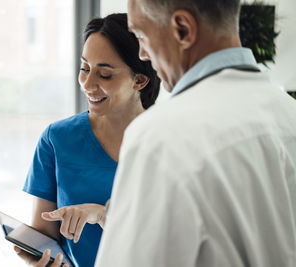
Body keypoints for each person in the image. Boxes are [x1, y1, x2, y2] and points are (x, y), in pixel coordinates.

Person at [95, 0, 296, 266]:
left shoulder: (159, 136)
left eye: (142, 35)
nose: (142, 53)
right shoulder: (289, 113)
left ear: (182, 29)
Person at [14, 13, 160, 267]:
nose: (87, 84)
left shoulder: (169, 140)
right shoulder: (57, 139)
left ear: (140, 79)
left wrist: (104, 215)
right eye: (84, 68)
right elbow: (47, 237)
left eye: (104, 75)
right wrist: (37, 257)